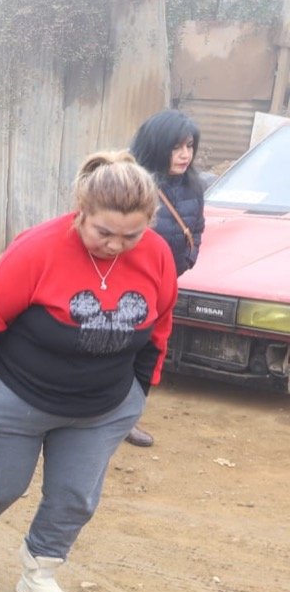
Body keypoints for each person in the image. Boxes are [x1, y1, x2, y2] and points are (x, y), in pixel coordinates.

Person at [0, 151, 177, 592]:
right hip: (17, 396)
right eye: (103, 232)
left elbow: (160, 327)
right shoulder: (38, 247)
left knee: (76, 497)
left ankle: (39, 572)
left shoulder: (157, 256)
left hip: (102, 407)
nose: (116, 245)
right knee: (0, 486)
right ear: (81, 212)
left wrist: (138, 395)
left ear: (148, 222)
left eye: (131, 235)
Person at [124, 109, 205, 448]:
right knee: (117, 352)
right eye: (176, 147)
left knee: (150, 354)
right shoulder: (131, 183)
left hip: (164, 290)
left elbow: (197, 230)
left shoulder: (193, 186)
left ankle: (128, 418)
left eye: (189, 146)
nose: (185, 155)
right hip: (126, 289)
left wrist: (186, 259)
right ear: (157, 146)